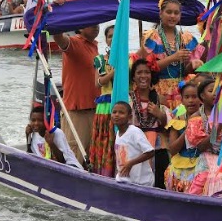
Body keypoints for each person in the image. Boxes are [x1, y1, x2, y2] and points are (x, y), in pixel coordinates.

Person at [139, 0, 203, 110]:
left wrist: (193, 65)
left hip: (181, 89)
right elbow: (147, 68)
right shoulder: (152, 37)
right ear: (160, 14)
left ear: (180, 16)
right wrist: (173, 57)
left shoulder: (186, 38)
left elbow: (184, 70)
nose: (172, 16)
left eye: (176, 13)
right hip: (159, 89)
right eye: (168, 12)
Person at [52, 23, 100, 165]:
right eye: (91, 23)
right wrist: (60, 18)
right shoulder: (75, 43)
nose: (96, 26)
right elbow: (59, 38)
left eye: (97, 23)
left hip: (95, 110)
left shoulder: (94, 46)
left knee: (93, 156)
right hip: (77, 112)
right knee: (76, 157)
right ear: (80, 27)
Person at [129, 58, 171, 188]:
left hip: (157, 148)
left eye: (147, 72)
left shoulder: (160, 99)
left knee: (159, 184)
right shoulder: (129, 98)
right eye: (139, 73)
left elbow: (167, 128)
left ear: (152, 76)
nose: (143, 76)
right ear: (133, 77)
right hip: (135, 146)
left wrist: (160, 115)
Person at [188, 78, 222, 196]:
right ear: (202, 96)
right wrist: (218, 127)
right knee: (200, 187)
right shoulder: (196, 118)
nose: (216, 94)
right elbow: (201, 146)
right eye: (211, 91)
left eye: (219, 90)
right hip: (207, 158)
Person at [89, 25, 116, 176]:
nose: (112, 38)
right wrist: (113, 73)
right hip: (106, 105)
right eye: (110, 36)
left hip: (125, 103)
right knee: (106, 140)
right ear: (106, 40)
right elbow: (98, 83)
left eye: (115, 35)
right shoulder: (100, 60)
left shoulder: (129, 58)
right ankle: (104, 173)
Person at [165, 82, 202, 192]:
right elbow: (172, 149)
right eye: (187, 97)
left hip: (200, 166)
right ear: (181, 100)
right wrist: (189, 126)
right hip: (179, 168)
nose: (191, 100)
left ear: (201, 98)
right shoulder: (177, 120)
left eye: (194, 97)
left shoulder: (207, 119)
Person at [112, 101, 155, 187]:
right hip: (126, 181)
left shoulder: (134, 132)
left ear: (130, 117)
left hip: (142, 182)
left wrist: (131, 163)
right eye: (114, 112)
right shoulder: (117, 133)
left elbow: (150, 152)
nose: (116, 115)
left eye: (121, 113)